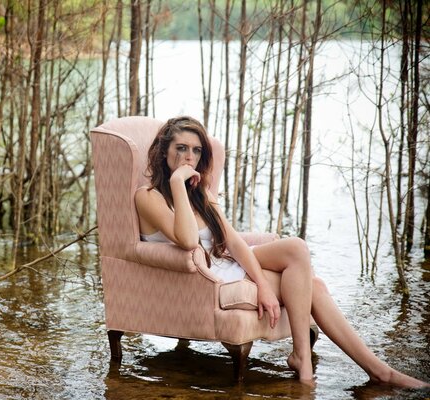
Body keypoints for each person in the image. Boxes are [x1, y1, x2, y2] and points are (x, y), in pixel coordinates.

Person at [134, 115, 429, 388]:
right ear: (164, 151)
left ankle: (318, 362)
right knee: (313, 287)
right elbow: (186, 240)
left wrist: (261, 285)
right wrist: (176, 183)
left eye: (196, 151)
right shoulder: (147, 197)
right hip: (204, 277)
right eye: (182, 148)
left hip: (224, 262)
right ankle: (368, 370)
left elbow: (233, 242)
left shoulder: (202, 195)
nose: (189, 157)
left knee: (296, 248)